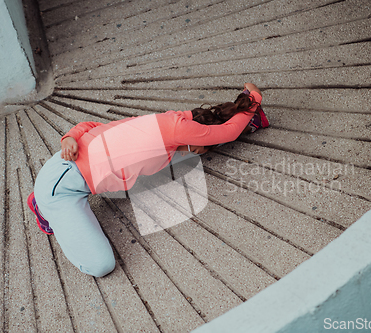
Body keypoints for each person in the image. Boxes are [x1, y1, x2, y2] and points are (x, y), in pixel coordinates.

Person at [27, 83, 263, 277]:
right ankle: (41, 207)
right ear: (195, 133)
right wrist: (252, 99)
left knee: (190, 150)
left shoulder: (175, 121)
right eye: (202, 140)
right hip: (58, 189)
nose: (203, 148)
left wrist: (241, 115)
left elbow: (94, 127)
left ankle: (244, 126)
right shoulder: (177, 131)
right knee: (101, 267)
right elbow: (227, 132)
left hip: (74, 174)